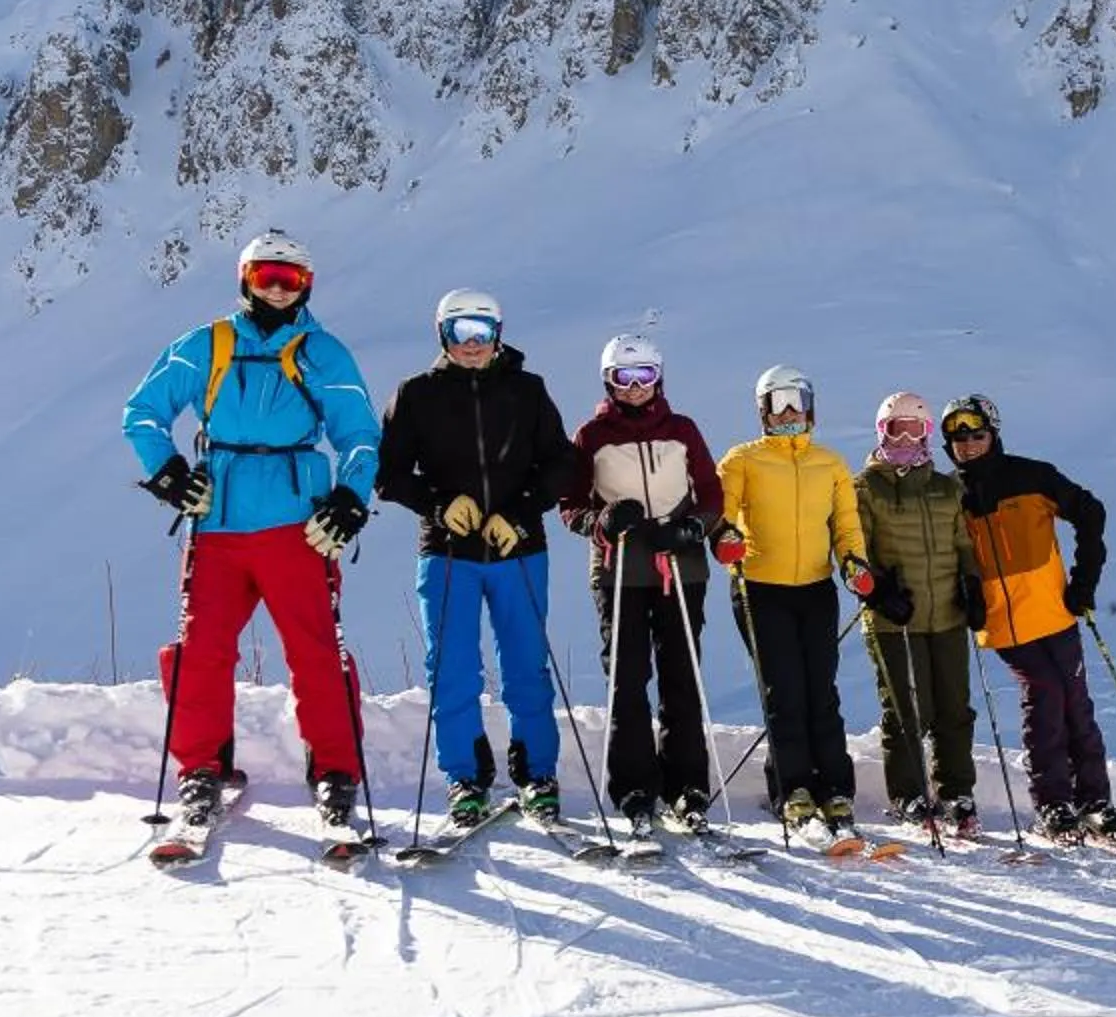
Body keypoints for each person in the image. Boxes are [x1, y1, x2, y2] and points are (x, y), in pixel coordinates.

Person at [120, 231, 382, 832]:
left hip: (298, 524)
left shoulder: (323, 352)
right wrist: (167, 473)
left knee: (316, 650)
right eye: (265, 274)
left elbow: (360, 434)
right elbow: (143, 412)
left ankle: (335, 771)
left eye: (289, 279)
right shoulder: (207, 344)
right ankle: (201, 770)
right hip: (218, 523)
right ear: (244, 278)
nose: (275, 287)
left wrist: (350, 496)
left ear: (306, 286)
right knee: (202, 650)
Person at [373, 289, 576, 826]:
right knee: (454, 669)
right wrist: (439, 504)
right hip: (447, 554)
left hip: (519, 551)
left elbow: (562, 465)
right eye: (460, 331)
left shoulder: (527, 391)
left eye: (482, 331)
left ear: (498, 333)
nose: (472, 344)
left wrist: (524, 511)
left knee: (526, 666)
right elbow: (388, 474)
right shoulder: (417, 394)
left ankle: (537, 773)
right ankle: (465, 776)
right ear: (442, 333)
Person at [557, 334, 725, 834]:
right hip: (621, 566)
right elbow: (571, 505)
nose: (634, 388)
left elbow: (711, 491)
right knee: (626, 678)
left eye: (644, 377)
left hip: (679, 564)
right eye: (623, 378)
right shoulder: (591, 436)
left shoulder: (683, 430)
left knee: (682, 675)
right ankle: (633, 788)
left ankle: (687, 787)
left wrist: (696, 526)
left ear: (659, 378)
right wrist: (601, 522)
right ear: (608, 380)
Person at [942, 392, 1116, 844]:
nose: (967, 445)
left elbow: (1090, 513)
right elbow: (945, 555)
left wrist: (1083, 584)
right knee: (1045, 698)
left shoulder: (1032, 476)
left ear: (993, 433)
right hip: (1003, 623)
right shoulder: (950, 495)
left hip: (1055, 612)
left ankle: (1095, 802)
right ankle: (1053, 805)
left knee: (1076, 704)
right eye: (957, 439)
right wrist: (967, 595)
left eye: (976, 434)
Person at [715, 365, 874, 841]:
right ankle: (793, 789)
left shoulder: (830, 464)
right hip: (761, 589)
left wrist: (854, 563)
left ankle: (835, 788)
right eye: (777, 403)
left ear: (811, 407)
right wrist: (724, 539)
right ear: (761, 410)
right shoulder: (743, 460)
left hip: (816, 589)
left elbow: (846, 526)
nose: (787, 412)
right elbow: (720, 515)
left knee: (820, 691)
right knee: (784, 691)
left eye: (795, 402)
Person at [854, 392, 983, 835]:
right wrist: (877, 591)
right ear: (882, 432)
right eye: (896, 429)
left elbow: (964, 544)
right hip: (896, 619)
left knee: (953, 707)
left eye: (915, 429)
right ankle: (909, 793)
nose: (906, 437)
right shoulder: (867, 487)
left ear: (928, 434)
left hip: (947, 614)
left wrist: (972, 585)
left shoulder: (947, 488)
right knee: (908, 708)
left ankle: (956, 792)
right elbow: (855, 552)